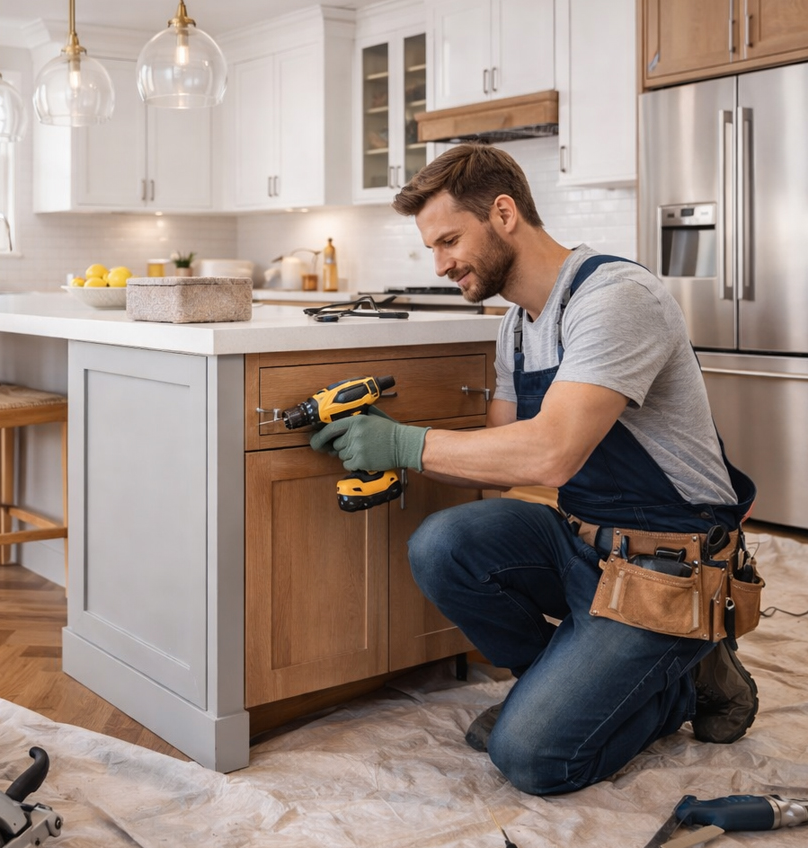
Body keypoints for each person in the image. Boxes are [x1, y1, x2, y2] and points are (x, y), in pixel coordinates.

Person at [309, 143, 759, 796]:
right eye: (432, 249)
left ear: (503, 213)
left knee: (531, 756)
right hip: (584, 547)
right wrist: (380, 451)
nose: (440, 265)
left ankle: (681, 685)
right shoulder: (516, 327)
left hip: (671, 569)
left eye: (449, 241)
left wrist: (404, 445)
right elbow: (504, 457)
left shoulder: (616, 297)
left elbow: (552, 453)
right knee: (443, 543)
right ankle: (576, 676)